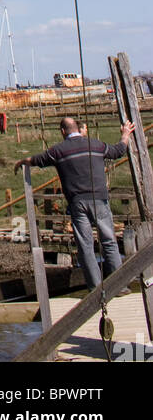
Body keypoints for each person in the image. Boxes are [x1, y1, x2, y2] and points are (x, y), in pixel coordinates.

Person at [15, 115, 134, 291]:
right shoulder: (96, 145)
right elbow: (118, 151)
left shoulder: (57, 151)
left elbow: (36, 160)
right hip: (99, 199)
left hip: (77, 202)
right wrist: (125, 134)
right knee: (108, 240)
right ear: (78, 129)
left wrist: (21, 162)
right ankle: (119, 286)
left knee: (85, 245)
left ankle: (95, 288)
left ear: (63, 131)